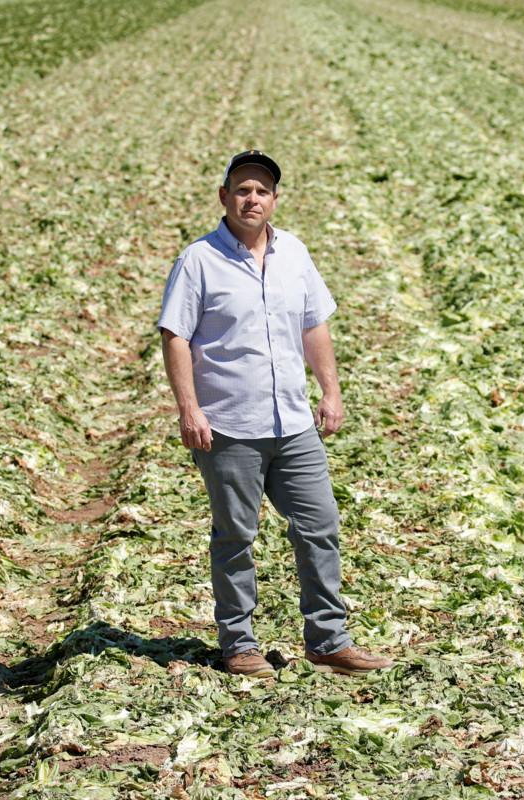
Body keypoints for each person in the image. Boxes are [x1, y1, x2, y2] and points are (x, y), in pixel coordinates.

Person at [156, 150, 393, 678]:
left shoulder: (295, 254)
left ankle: (329, 639)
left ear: (275, 199)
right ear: (224, 198)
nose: (252, 199)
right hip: (229, 427)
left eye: (262, 191)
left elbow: (314, 326)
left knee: (320, 525)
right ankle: (239, 643)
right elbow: (176, 336)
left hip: (293, 422)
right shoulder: (198, 260)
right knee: (237, 535)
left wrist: (330, 391)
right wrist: (188, 408)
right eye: (242, 190)